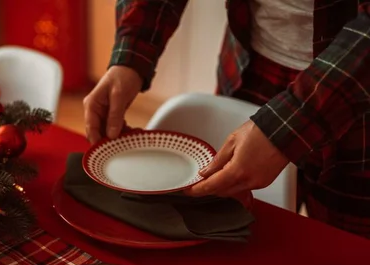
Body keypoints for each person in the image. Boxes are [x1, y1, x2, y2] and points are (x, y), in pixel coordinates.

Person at [83, 0, 370, 238]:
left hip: (358, 95)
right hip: (249, 71)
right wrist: (130, 54)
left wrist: (284, 127)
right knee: (232, 242)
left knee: (351, 263)